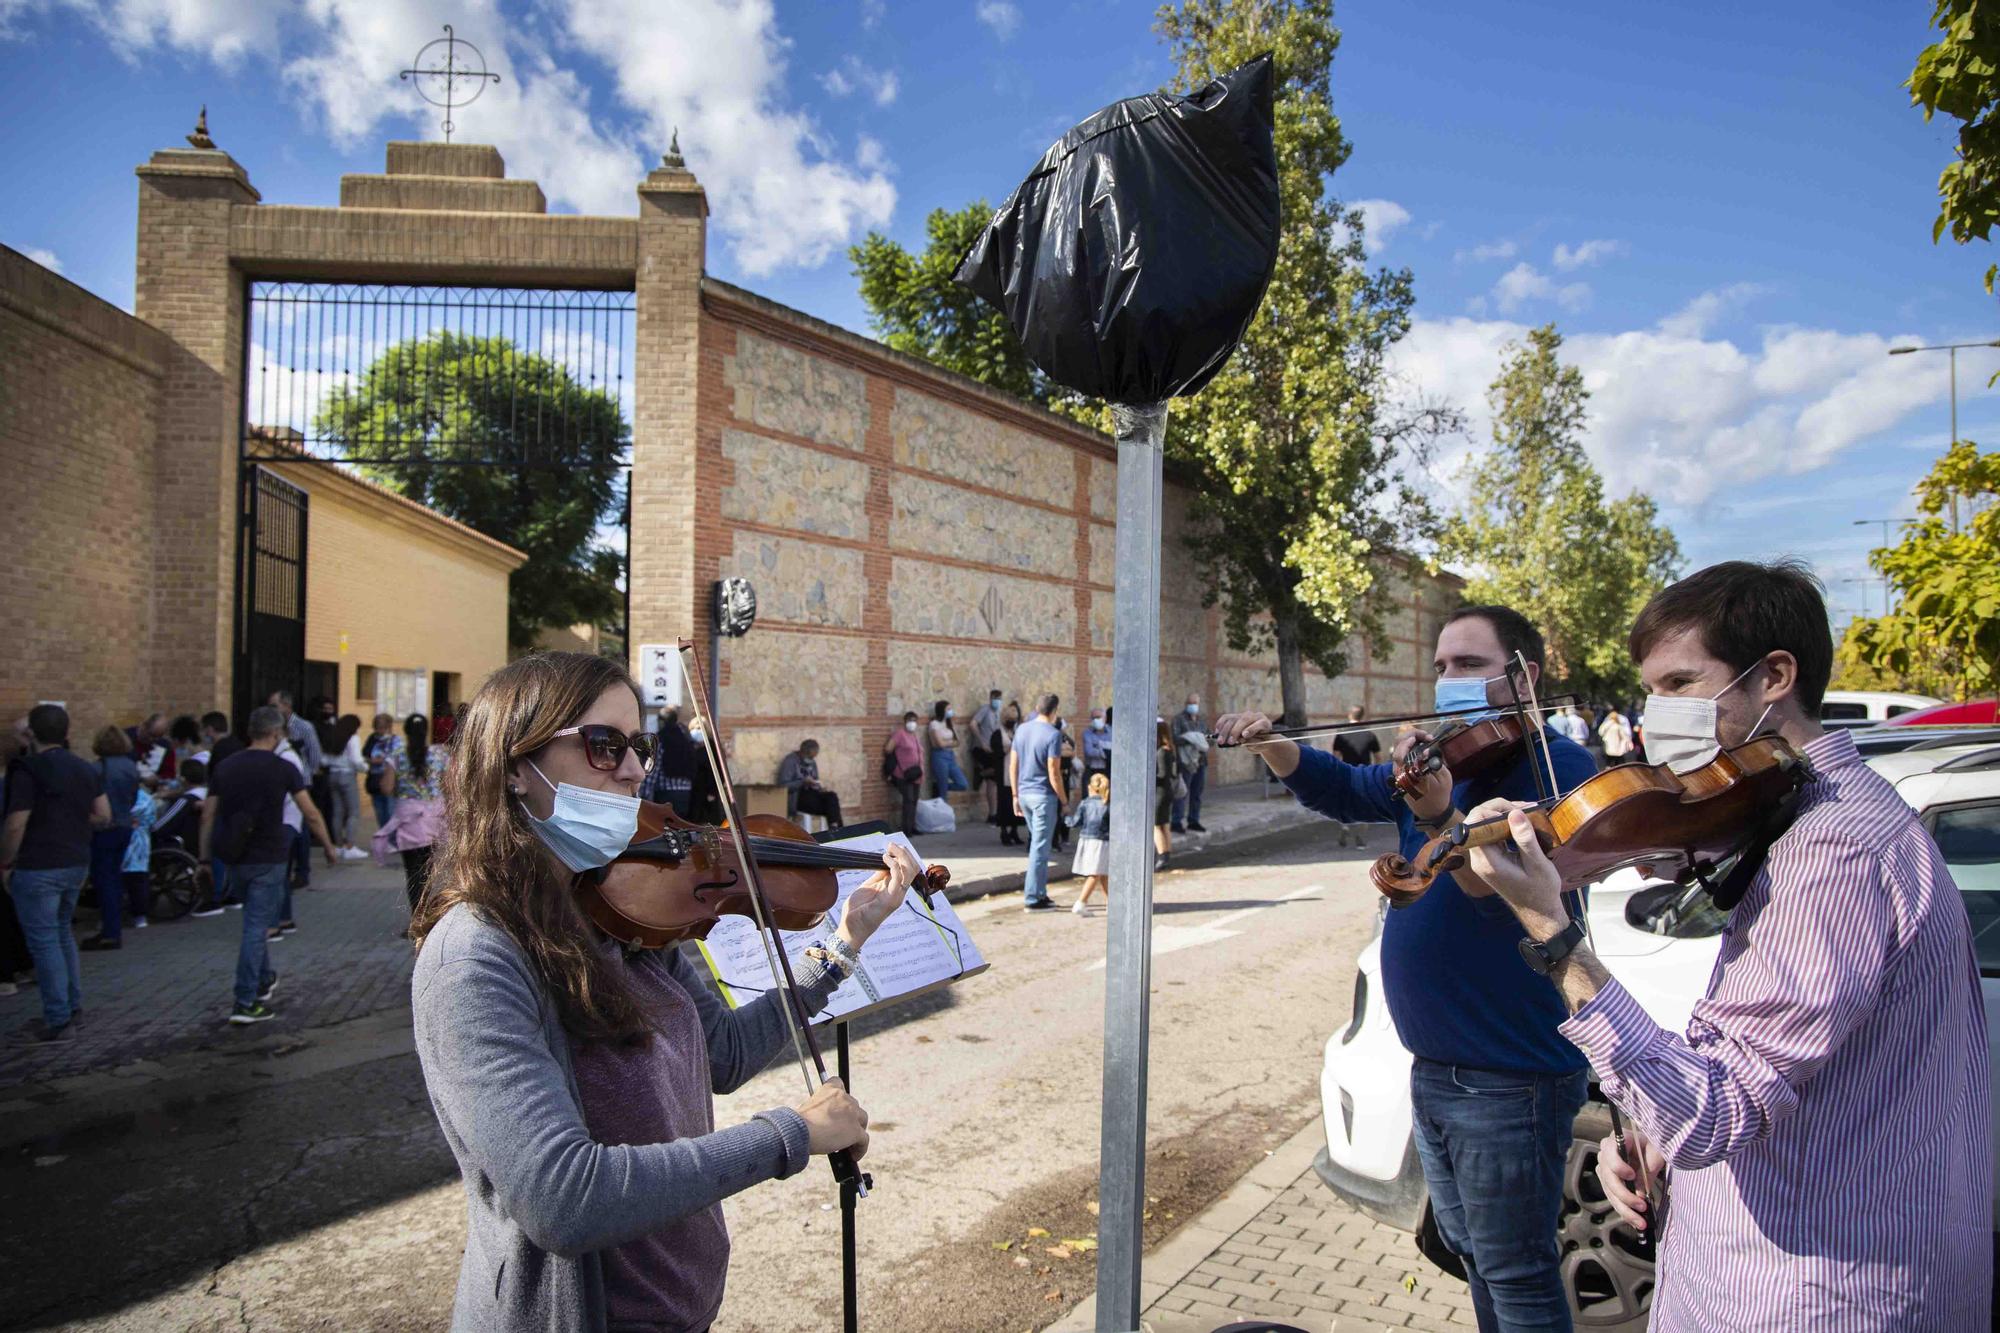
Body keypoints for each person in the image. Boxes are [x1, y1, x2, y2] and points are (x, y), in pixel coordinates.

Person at [1464, 561, 1991, 1330]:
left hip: (1808, 1297)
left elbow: (1716, 1116)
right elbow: (1772, 1077)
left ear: (1775, 675)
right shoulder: (1800, 815)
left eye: (1679, 684)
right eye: (1651, 692)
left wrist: (1553, 933)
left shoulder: (1832, 851)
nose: (1655, 718)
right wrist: (1660, 1143)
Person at [409, 651, 916, 1332]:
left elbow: (726, 1053)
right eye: (602, 744)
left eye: (638, 746)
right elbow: (564, 1197)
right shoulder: (476, 955)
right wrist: (790, 1133)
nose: (631, 768)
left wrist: (846, 942)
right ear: (512, 769)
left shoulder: (616, 919)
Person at [1215, 605, 1597, 1331]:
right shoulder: (1443, 760)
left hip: (1509, 1074)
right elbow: (1346, 788)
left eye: (1469, 665)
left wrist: (1437, 816)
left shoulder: (1560, 769)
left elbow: (1497, 885)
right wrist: (1273, 747)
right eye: (1441, 666)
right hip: (1437, 1065)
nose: (1446, 680)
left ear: (1525, 677)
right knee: (1474, 1255)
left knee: (1516, 1272)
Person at [201, 706, 338, 1024]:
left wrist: (204, 858)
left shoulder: (225, 767)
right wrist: (329, 847)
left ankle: (263, 979)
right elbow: (310, 811)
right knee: (255, 927)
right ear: (276, 734)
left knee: (253, 919)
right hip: (269, 856)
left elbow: (208, 814)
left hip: (235, 856)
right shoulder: (282, 768)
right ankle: (245, 1000)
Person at [1, 705, 111, 1041]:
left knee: (45, 941)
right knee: (62, 934)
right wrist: (72, 819)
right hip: (76, 861)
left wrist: (5, 861)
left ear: (32, 733)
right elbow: (104, 816)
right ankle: (72, 1005)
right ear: (66, 731)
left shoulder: (27, 771)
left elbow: (17, 822)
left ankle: (58, 1017)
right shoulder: (83, 768)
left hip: (39, 864)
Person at [376, 714, 449, 912]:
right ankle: (430, 916)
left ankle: (417, 917)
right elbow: (448, 784)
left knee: (413, 872)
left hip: (408, 821)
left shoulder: (396, 755)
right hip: (434, 820)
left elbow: (387, 787)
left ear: (406, 731)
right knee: (429, 872)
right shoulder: (439, 755)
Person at [81, 724, 144, 949]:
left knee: (104, 879)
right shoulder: (130, 767)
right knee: (115, 877)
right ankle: (112, 925)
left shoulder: (97, 768)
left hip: (104, 827)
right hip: (125, 825)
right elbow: (135, 796)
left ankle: (110, 931)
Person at [1010, 694, 1067, 911]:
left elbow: (1013, 765)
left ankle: (1040, 893)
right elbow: (1054, 772)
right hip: (1044, 796)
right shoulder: (1053, 735)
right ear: (1055, 711)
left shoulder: (1022, 729)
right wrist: (1065, 800)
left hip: (1024, 794)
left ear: (1037, 708)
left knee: (1038, 845)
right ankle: (1033, 898)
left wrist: (1015, 795)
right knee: (1040, 849)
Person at [1331, 705, 1383, 848]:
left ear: (1349, 715)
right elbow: (1378, 757)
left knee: (1343, 803)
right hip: (1364, 774)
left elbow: (1335, 757)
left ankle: (1345, 827)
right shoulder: (1370, 735)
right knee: (1365, 805)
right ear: (1362, 716)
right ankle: (1360, 835)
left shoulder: (1341, 734)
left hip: (1346, 773)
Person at [1066, 771, 1111, 916]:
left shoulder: (1085, 803)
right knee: (1096, 873)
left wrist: (1065, 818)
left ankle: (1111, 904)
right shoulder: (1108, 803)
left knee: (1102, 873)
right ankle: (1081, 902)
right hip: (1102, 841)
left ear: (1090, 787)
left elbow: (1075, 822)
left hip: (1087, 840)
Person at [641, 709, 700, 817]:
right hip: (685, 793)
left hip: (665, 794)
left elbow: (653, 768)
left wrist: (644, 794)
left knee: (664, 829)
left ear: (662, 722)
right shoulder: (686, 739)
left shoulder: (660, 739)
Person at [326, 714, 368, 861]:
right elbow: (356, 760)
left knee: (337, 812)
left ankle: (338, 846)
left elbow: (325, 758)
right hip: (347, 775)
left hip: (333, 774)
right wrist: (366, 768)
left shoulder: (334, 737)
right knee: (353, 812)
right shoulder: (353, 738)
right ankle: (349, 846)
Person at [776, 738, 841, 828]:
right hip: (797, 798)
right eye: (810, 757)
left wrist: (819, 787)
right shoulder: (790, 761)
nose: (812, 759)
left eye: (814, 757)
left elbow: (815, 779)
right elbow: (782, 786)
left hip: (812, 795)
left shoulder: (812, 762)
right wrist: (802, 782)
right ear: (803, 752)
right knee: (831, 808)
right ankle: (836, 830)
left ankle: (835, 827)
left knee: (832, 797)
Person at [1170, 693, 1209, 833]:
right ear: (1186, 704)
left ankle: (1194, 820)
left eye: (1195, 703)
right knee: (1182, 792)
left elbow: (1208, 739)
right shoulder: (1178, 720)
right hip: (1186, 762)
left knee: (1197, 793)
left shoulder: (1202, 721)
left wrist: (1200, 740)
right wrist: (1192, 738)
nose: (1193, 706)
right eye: (1190, 703)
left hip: (1201, 761)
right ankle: (1176, 821)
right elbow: (1175, 739)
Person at [881, 711, 925, 837]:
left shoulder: (914, 736)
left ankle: (913, 826)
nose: (912, 723)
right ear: (905, 721)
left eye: (914, 720)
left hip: (915, 774)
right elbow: (888, 749)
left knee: (914, 801)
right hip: (903, 774)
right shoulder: (900, 734)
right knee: (909, 800)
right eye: (910, 720)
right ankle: (906, 828)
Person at [990, 703, 1023, 846]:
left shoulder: (1017, 732)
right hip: (1003, 773)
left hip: (1017, 773)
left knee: (1017, 803)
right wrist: (1009, 748)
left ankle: (1014, 831)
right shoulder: (998, 734)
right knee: (1004, 803)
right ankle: (1004, 831)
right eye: (1010, 718)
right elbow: (996, 752)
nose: (1012, 721)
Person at [971, 687, 1004, 820]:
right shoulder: (985, 710)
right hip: (982, 748)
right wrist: (982, 741)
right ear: (990, 699)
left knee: (993, 781)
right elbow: (973, 724)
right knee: (994, 776)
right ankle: (980, 774)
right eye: (994, 698)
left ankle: (992, 813)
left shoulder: (999, 712)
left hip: (994, 749)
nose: (996, 701)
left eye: (998, 698)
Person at [1153, 719, 1181, 872]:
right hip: (1165, 791)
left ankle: (1162, 857)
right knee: (1164, 824)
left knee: (1157, 826)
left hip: (1160, 792)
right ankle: (1165, 856)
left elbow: (1163, 774)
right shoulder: (1168, 749)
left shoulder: (1163, 751)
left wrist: (1148, 777)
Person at [926, 701, 969, 800]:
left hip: (950, 755)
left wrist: (947, 743)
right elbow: (940, 744)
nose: (950, 711)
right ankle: (942, 809)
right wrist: (950, 742)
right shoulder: (934, 724)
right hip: (939, 756)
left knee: (962, 784)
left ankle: (939, 787)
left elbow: (957, 741)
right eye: (948, 709)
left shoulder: (949, 724)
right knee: (943, 792)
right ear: (941, 711)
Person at [362, 712, 397, 830]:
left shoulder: (394, 740)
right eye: (378, 728)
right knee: (379, 811)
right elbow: (364, 754)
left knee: (390, 810)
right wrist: (372, 760)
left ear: (389, 727)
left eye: (383, 728)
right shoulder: (372, 738)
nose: (380, 731)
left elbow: (398, 757)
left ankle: (391, 839)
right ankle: (383, 835)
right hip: (375, 778)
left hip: (389, 779)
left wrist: (384, 760)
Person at [1082, 707, 1112, 781]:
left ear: (1104, 718)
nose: (1096, 720)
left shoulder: (1112, 732)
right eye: (1093, 718)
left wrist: (1098, 746)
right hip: (1092, 770)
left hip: (1108, 770)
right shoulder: (1087, 733)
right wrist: (1105, 752)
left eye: (1098, 717)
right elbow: (1089, 751)